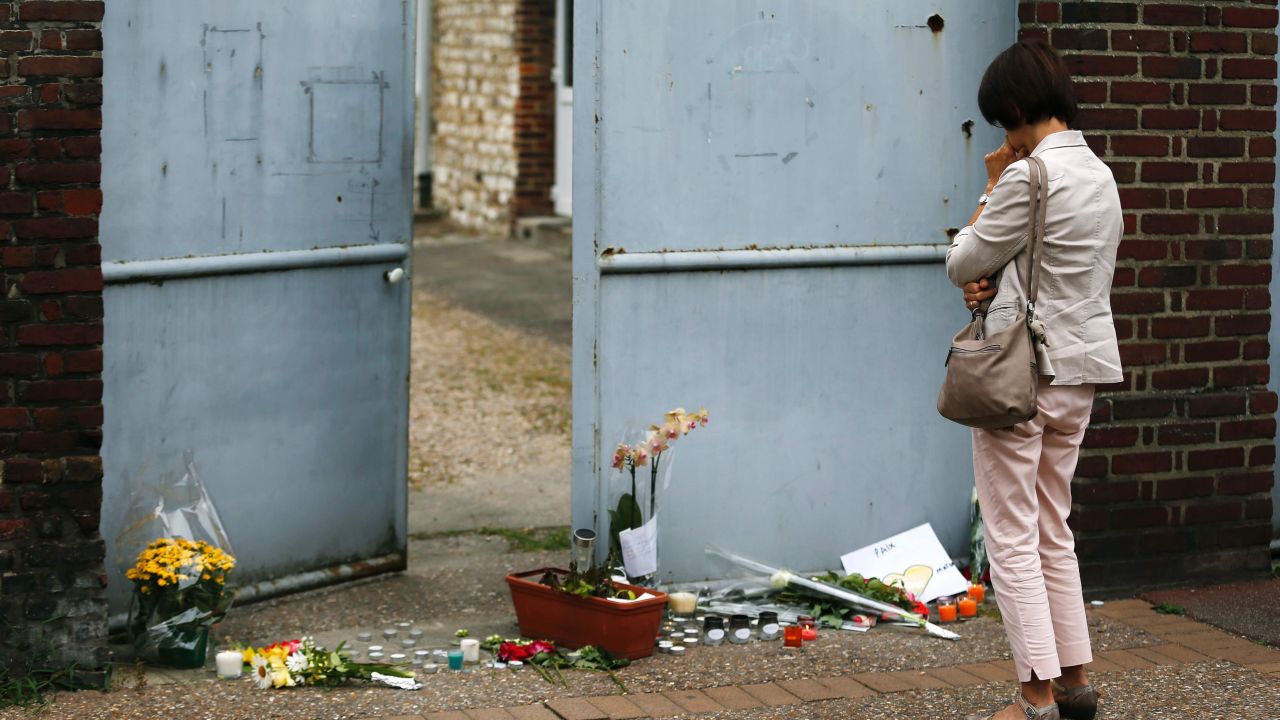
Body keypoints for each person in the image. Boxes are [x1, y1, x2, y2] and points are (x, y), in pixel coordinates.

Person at [945, 38, 1122, 720]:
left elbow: (964, 260)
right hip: (1079, 376)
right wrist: (1002, 282)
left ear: (1016, 108)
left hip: (1021, 379)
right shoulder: (1102, 175)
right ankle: (1075, 682)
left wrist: (991, 183)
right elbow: (1065, 272)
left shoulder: (1025, 176)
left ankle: (1033, 698)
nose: (1005, 136)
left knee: (1011, 534)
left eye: (1003, 122)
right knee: (1054, 527)